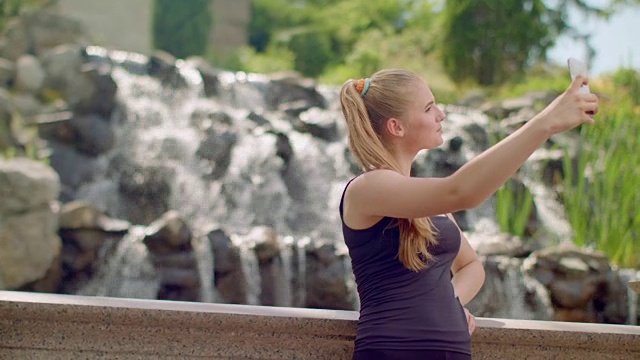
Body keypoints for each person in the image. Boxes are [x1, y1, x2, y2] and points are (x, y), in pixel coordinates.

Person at [338, 69, 599, 360]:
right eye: (428, 108)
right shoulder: (368, 187)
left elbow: (471, 265)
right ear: (397, 127)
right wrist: (545, 123)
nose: (441, 115)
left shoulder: (424, 202)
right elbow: (462, 192)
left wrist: (448, 301)